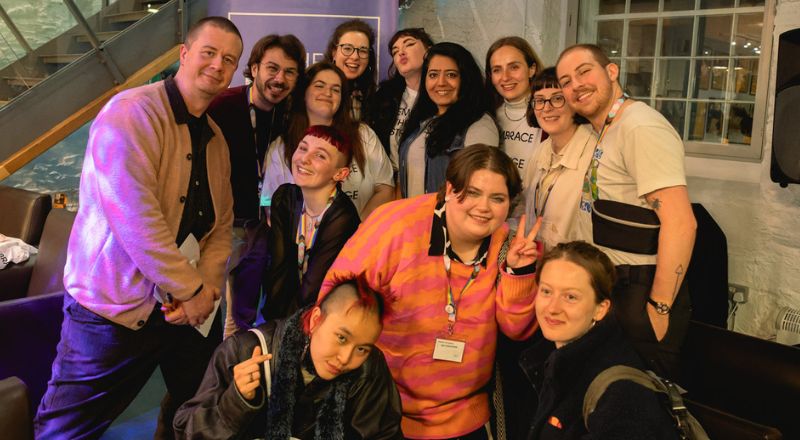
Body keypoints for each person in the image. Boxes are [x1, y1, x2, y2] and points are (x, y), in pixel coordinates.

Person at [33, 17, 243, 439]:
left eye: (229, 60)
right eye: (209, 53)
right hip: (113, 311)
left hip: (187, 312)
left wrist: (202, 291)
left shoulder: (217, 139)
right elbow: (135, 220)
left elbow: (221, 227)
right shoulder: (130, 113)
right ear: (184, 54)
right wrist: (192, 290)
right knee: (67, 428)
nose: (218, 66)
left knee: (201, 413)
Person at [319, 145, 541, 439]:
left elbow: (517, 331)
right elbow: (332, 303)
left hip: (465, 416)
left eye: (497, 198)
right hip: (381, 412)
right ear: (450, 189)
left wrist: (519, 272)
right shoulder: (395, 226)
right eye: (472, 193)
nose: (484, 207)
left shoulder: (507, 247)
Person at [556, 44, 697, 378]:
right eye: (565, 80)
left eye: (584, 71)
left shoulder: (640, 127)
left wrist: (659, 308)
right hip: (613, 283)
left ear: (612, 71)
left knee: (637, 403)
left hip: (642, 289)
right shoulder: (607, 127)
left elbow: (681, 224)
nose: (576, 84)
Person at [173, 277, 403, 439]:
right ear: (315, 320)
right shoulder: (243, 352)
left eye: (362, 349)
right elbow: (186, 431)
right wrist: (236, 401)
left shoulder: (368, 371)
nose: (346, 358)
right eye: (342, 338)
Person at [521, 241, 679, 439]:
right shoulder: (552, 356)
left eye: (570, 297)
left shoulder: (621, 394)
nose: (553, 308)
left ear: (600, 309)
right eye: (546, 291)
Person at [208, 33, 306, 335]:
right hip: (227, 223)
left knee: (254, 312)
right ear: (253, 68)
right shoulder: (221, 106)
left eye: (289, 72)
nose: (280, 79)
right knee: (218, 311)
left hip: (271, 224)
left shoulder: (291, 115)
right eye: (272, 69)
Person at [261, 62, 394, 219]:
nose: (328, 93)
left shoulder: (363, 135)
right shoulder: (281, 147)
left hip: (362, 240)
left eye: (336, 89)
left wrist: (356, 232)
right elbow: (270, 207)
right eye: (319, 86)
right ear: (304, 93)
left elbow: (385, 188)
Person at [262, 125, 360, 321]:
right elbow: (278, 271)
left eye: (320, 156)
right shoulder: (285, 197)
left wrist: (286, 333)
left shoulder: (342, 217)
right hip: (286, 315)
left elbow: (314, 288)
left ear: (340, 174)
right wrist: (271, 327)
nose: (304, 159)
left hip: (328, 316)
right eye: (303, 148)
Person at [398, 42, 499, 198]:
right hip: (415, 220)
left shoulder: (480, 125)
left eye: (451, 74)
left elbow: (478, 191)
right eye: (433, 75)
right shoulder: (422, 121)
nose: (441, 82)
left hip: (446, 221)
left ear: (466, 79)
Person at [523, 67, 594, 251]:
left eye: (557, 98)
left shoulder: (595, 154)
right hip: (539, 263)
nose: (546, 108)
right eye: (539, 100)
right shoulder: (541, 151)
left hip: (575, 267)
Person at [366, 27, 434, 172]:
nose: (401, 52)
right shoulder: (384, 98)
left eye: (409, 44)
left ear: (429, 50)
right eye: (395, 51)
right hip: (392, 183)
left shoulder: (441, 95)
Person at [485, 36, 545, 182]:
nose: (505, 77)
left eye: (514, 67)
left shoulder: (551, 113)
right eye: (497, 70)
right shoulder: (486, 116)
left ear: (531, 69)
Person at [325, 19, 377, 121]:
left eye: (363, 51)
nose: (355, 57)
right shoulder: (314, 88)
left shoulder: (369, 96)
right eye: (347, 48)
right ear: (334, 53)